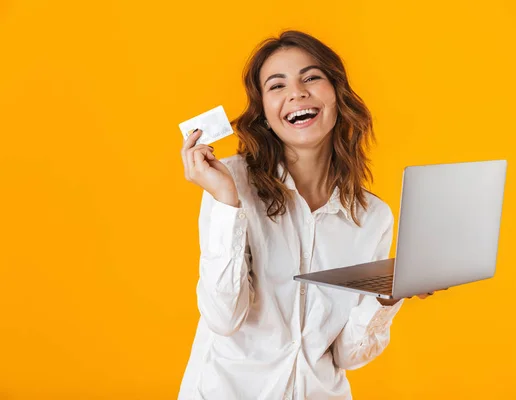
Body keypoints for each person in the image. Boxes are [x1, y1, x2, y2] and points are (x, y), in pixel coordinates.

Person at [178, 30, 433, 400]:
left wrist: (388, 295)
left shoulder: (372, 216)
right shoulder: (229, 183)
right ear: (264, 112)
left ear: (337, 94)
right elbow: (223, 317)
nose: (297, 93)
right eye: (277, 85)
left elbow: (347, 354)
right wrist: (225, 201)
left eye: (311, 77)